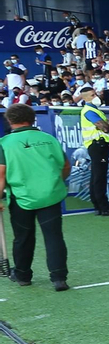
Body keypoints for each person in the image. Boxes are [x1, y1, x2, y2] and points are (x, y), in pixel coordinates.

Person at [0, 104, 70, 290]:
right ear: (32, 119)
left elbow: (1, 173)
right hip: (50, 195)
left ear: (9, 120)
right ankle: (59, 278)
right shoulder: (49, 139)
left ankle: (22, 275)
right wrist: (55, 183)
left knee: (23, 237)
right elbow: (65, 166)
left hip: (21, 197)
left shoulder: (4, 143)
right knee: (54, 237)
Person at [77, 86, 109, 216]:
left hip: (97, 145)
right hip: (98, 145)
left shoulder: (94, 110)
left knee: (96, 175)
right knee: (99, 177)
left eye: (95, 94)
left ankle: (98, 205)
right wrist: (106, 125)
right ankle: (104, 207)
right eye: (92, 95)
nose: (96, 97)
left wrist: (107, 126)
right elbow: (106, 126)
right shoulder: (89, 111)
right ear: (85, 98)